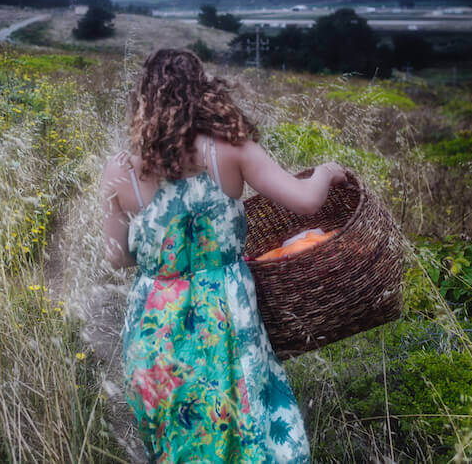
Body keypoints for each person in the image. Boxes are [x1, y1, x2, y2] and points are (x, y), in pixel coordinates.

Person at [101, 48, 347, 463]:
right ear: (203, 92)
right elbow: (306, 202)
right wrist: (326, 171)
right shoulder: (230, 150)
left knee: (180, 446)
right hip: (224, 318)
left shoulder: (120, 170)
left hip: (154, 324)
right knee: (245, 433)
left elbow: (118, 258)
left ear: (144, 100)